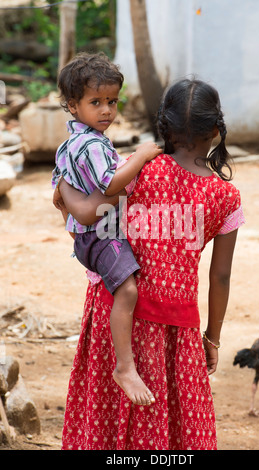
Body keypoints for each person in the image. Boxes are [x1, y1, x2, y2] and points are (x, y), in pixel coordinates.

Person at [55, 78, 245, 450]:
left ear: (164, 125)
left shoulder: (135, 171)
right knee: (176, 431)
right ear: (216, 130)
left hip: (115, 317)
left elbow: (87, 218)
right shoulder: (226, 197)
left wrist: (62, 187)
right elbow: (220, 277)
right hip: (178, 331)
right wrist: (213, 339)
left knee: (107, 429)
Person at [52, 52, 161, 407]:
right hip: (100, 236)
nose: (106, 111)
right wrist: (141, 157)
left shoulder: (70, 143)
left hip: (87, 234)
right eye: (95, 102)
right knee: (128, 291)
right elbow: (111, 185)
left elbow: (60, 194)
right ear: (73, 105)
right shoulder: (93, 144)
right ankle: (125, 367)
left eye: (111, 102)